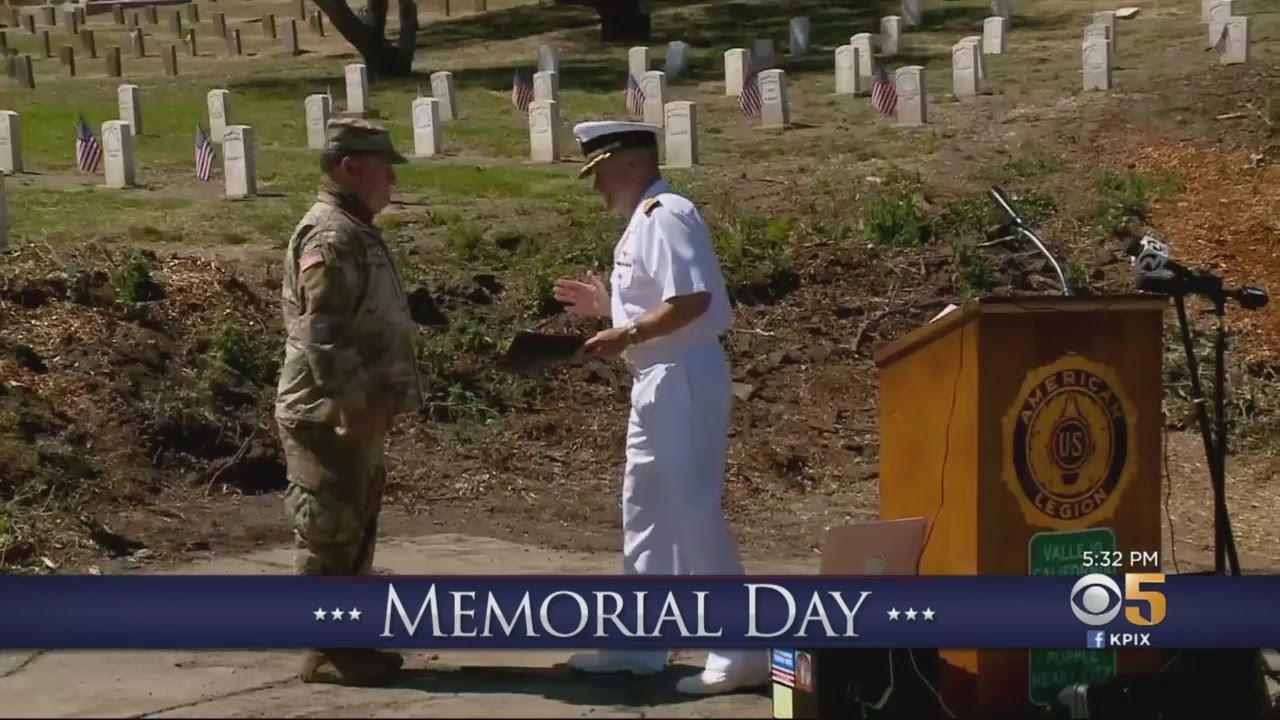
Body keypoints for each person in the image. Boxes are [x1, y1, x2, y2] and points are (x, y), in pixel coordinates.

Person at [553, 120, 768, 695]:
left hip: (682, 376)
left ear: (628, 162)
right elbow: (660, 302)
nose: (596, 187)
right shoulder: (644, 220)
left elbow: (692, 300)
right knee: (646, 508)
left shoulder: (667, 213)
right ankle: (640, 642)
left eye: (599, 173)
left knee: (693, 508)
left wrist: (626, 334)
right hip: (657, 376)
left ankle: (742, 649)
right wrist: (611, 310)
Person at [275, 117, 422, 686]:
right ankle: (326, 649)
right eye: (384, 169)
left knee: (353, 530)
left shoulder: (353, 229)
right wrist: (351, 402)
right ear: (349, 168)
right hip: (326, 412)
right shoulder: (331, 237)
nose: (392, 181)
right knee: (328, 532)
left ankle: (349, 640)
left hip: (352, 407)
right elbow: (324, 332)